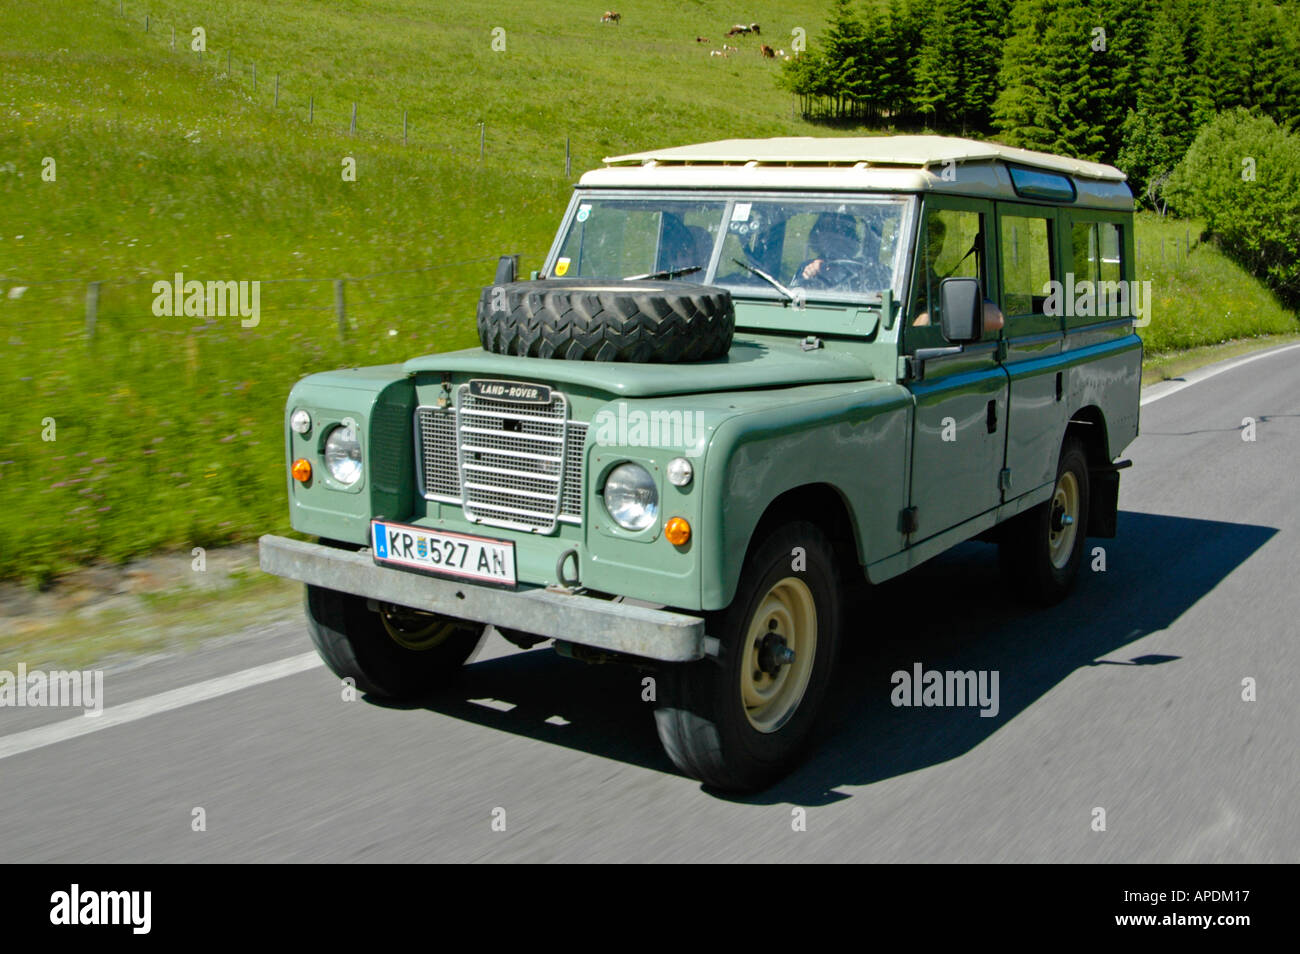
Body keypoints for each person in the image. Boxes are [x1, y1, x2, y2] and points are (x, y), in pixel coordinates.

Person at [911, 215, 1004, 335]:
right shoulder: (886, 284)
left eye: (931, 248)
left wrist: (932, 313)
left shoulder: (941, 288)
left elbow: (995, 319)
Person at [790, 212, 864, 289]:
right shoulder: (806, 267)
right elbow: (794, 294)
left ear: (851, 238)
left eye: (844, 232)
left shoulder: (860, 269)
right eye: (827, 228)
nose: (835, 236)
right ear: (817, 236)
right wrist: (808, 275)